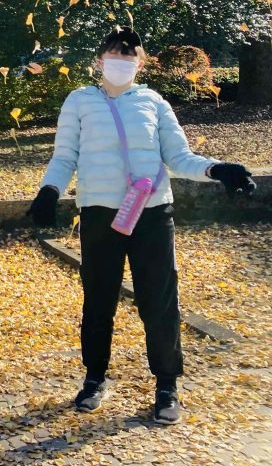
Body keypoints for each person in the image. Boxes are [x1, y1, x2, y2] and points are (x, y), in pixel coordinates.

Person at [27, 27, 256, 425]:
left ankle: (167, 383)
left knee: (159, 299)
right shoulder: (79, 101)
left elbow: (179, 156)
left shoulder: (153, 102)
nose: (121, 61)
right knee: (99, 298)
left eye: (129, 55)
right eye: (114, 53)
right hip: (100, 213)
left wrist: (218, 169)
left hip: (151, 212)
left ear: (141, 63)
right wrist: (49, 191)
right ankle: (95, 377)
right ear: (99, 60)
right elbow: (64, 156)